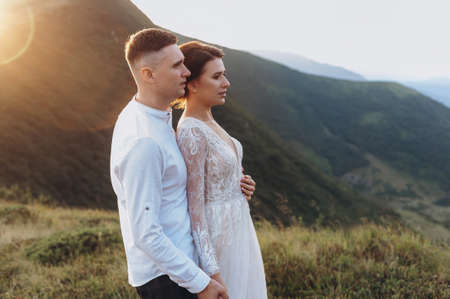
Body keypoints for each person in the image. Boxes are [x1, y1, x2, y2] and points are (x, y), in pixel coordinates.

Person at [110, 28, 229, 299]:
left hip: (178, 269)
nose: (186, 72)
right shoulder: (144, 141)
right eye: (177, 66)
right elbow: (146, 234)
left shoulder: (151, 116)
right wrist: (201, 283)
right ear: (148, 75)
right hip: (168, 279)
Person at [174, 41, 268, 299]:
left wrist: (240, 181)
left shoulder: (209, 120)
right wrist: (212, 272)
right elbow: (194, 207)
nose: (226, 83)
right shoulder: (192, 130)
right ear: (192, 83)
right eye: (216, 77)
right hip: (219, 238)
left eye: (224, 74)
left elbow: (219, 173)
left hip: (238, 227)